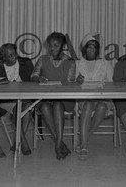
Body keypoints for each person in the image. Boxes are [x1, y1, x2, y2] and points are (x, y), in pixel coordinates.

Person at [30, 32, 76, 160]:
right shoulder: (43, 59)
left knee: (57, 104)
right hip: (46, 97)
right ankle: (59, 142)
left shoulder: (70, 62)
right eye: (50, 46)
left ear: (63, 46)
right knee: (44, 107)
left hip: (65, 99)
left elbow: (70, 83)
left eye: (56, 45)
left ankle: (57, 145)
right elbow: (33, 76)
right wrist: (38, 79)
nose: (53, 48)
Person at [75, 33, 114, 159]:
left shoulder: (106, 63)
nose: (92, 50)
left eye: (95, 47)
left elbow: (111, 84)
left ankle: (83, 139)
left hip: (103, 97)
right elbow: (70, 85)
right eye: (89, 47)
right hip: (84, 97)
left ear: (98, 49)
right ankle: (84, 147)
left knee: (102, 107)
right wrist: (77, 81)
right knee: (87, 106)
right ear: (84, 48)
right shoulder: (77, 63)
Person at [0, 43, 34, 155]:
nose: (14, 57)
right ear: (3, 57)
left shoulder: (26, 63)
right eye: (9, 55)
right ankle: (22, 141)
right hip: (6, 101)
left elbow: (33, 82)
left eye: (14, 53)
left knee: (26, 108)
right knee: (22, 108)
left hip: (25, 98)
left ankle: (18, 141)